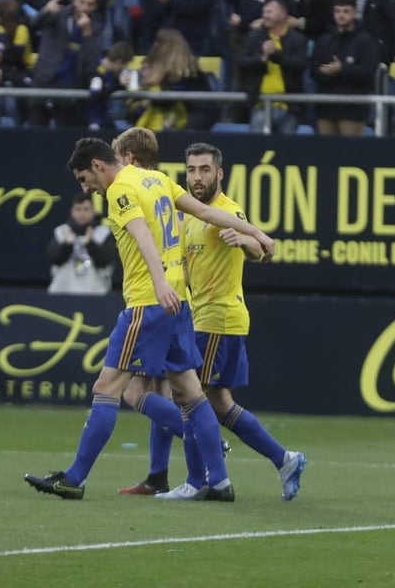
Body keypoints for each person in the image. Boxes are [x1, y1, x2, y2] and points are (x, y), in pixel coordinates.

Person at [23, 136, 273, 501]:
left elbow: (142, 236)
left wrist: (158, 283)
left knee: (107, 388)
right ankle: (218, 481)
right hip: (180, 303)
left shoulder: (120, 190)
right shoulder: (156, 179)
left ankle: (74, 478)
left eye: (84, 178)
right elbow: (205, 212)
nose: (86, 188)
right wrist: (257, 232)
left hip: (148, 303)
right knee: (191, 393)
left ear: (98, 165)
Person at [178, 141, 305, 500]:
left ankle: (201, 479)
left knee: (190, 396)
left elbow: (260, 249)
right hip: (202, 317)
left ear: (219, 173)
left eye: (205, 169)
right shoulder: (191, 214)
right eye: (191, 170)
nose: (197, 177)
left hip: (218, 318)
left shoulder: (228, 211)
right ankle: (285, 459)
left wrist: (242, 240)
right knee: (218, 403)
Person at [29, 0, 105, 127]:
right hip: (45, 78)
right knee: (36, 129)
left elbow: (93, 63)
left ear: (95, 7)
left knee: (65, 131)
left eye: (90, 4)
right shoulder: (58, 13)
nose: (84, 7)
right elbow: (34, 25)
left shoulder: (96, 26)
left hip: (71, 85)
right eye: (81, 2)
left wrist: (87, 34)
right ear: (74, 1)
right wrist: (46, 10)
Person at [311, 0, 379, 136]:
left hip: (353, 110)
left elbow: (368, 72)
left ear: (354, 13)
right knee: (325, 150)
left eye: (345, 11)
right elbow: (314, 70)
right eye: (337, 11)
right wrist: (326, 72)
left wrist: (342, 69)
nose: (341, 15)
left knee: (350, 150)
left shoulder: (366, 41)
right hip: (326, 108)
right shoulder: (324, 40)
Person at [237, 0, 307, 134]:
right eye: (264, 12)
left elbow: (300, 65)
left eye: (269, 12)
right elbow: (241, 62)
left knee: (287, 146)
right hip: (260, 104)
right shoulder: (254, 37)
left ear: (283, 14)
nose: (265, 15)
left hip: (289, 107)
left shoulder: (298, 39)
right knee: (258, 146)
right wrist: (262, 59)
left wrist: (276, 55)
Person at [46, 192, 117, 295]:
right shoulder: (61, 231)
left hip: (95, 294)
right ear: (72, 211)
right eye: (78, 209)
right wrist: (67, 245)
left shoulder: (103, 232)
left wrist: (90, 244)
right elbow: (53, 258)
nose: (82, 213)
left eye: (86, 209)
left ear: (93, 211)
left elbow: (105, 260)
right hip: (62, 293)